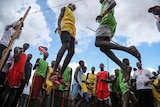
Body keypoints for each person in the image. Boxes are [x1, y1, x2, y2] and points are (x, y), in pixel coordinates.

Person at [95, 0, 141, 84]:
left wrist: (102, 14)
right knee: (103, 48)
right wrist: (101, 16)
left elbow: (114, 3)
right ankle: (124, 68)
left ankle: (129, 49)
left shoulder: (106, 1)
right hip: (109, 23)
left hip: (107, 21)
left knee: (98, 43)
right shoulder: (104, 4)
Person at [51, 3, 77, 85]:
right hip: (65, 27)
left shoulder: (73, 15)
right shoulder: (64, 8)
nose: (73, 6)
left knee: (71, 51)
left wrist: (74, 38)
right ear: (69, 5)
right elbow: (59, 18)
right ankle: (54, 71)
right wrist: (59, 26)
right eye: (72, 5)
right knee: (65, 45)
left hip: (72, 31)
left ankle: (60, 74)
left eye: (74, 7)